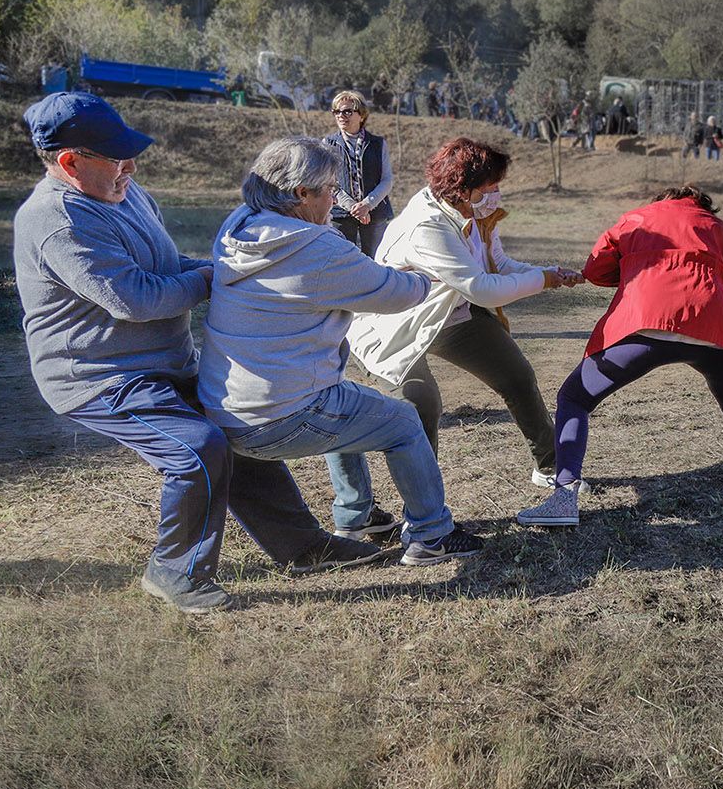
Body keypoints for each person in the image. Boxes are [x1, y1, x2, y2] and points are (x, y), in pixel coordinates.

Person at [13, 95, 381, 615]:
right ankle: (174, 571)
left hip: (160, 364)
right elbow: (136, 298)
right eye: (117, 158)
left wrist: (224, 270)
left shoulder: (125, 193)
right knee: (196, 449)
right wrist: (219, 278)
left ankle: (303, 546)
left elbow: (167, 265)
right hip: (98, 378)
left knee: (229, 429)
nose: (131, 167)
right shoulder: (58, 221)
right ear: (71, 162)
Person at [197, 136, 488, 566]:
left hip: (227, 407)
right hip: (278, 416)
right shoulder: (314, 248)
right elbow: (393, 292)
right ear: (301, 193)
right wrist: (426, 277)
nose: (335, 199)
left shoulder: (239, 225)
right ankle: (432, 535)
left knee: (344, 401)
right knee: (404, 422)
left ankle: (355, 516)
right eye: (331, 189)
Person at [517, 185, 723, 527]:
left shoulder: (635, 219)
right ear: (701, 205)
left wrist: (635, 269)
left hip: (646, 325)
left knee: (574, 397)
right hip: (707, 325)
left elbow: (597, 270)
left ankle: (564, 497)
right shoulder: (719, 229)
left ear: (662, 201)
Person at [346, 138, 582, 491]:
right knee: (421, 403)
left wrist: (548, 273)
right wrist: (543, 280)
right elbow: (482, 288)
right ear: (462, 189)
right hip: (395, 324)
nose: (496, 195)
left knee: (516, 375)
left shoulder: (473, 214)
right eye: (490, 188)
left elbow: (496, 264)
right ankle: (425, 505)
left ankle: (550, 466)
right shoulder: (428, 227)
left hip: (449, 312)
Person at [323, 90, 393, 258]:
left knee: (377, 260)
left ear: (361, 115)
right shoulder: (328, 144)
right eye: (336, 111)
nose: (341, 116)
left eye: (347, 111)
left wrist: (367, 205)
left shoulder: (377, 144)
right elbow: (327, 181)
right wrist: (353, 207)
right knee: (343, 261)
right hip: (341, 215)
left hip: (375, 215)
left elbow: (387, 180)